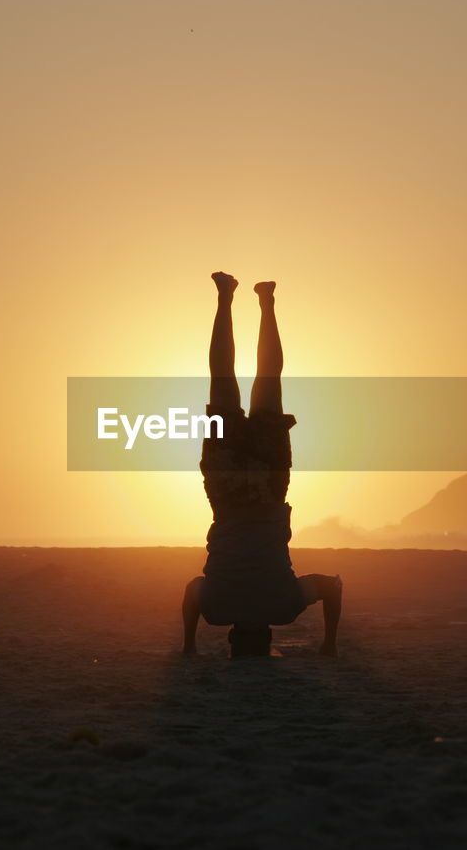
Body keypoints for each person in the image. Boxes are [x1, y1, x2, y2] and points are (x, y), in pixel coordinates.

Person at [181, 271, 343, 658]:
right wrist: (188, 643)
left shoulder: (284, 610)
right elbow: (192, 590)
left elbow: (332, 587)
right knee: (221, 379)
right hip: (226, 492)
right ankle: (224, 297)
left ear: (268, 638)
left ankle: (267, 302)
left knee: (269, 380)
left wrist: (330, 643)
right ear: (234, 639)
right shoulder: (218, 613)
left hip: (269, 488)